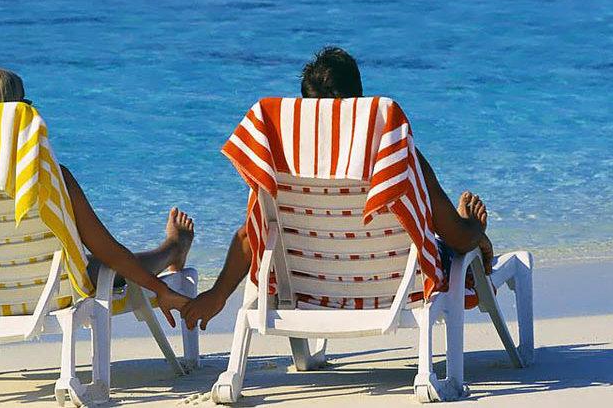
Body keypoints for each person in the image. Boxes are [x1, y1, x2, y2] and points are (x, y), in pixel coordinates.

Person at [179, 47, 494, 330]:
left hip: (309, 292)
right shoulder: (394, 153)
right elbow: (457, 236)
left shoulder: (281, 162)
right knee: (452, 245)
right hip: (402, 290)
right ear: (360, 99)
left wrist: (218, 294)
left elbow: (251, 234)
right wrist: (475, 229)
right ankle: (478, 240)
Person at [0, 67, 194, 324]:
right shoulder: (50, 178)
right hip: (50, 294)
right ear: (21, 114)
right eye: (27, 105)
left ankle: (173, 249)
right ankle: (173, 248)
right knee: (103, 264)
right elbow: (111, 253)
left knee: (95, 263)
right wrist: (160, 289)